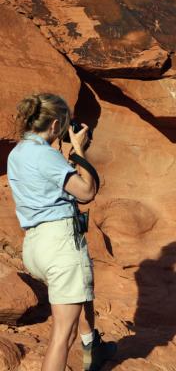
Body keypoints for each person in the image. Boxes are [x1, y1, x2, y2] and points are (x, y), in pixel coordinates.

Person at [7, 93, 116, 371]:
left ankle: (93, 346)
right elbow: (86, 192)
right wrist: (80, 151)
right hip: (59, 244)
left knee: (79, 290)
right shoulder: (45, 155)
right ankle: (87, 345)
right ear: (55, 125)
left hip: (35, 245)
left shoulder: (18, 152)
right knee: (63, 335)